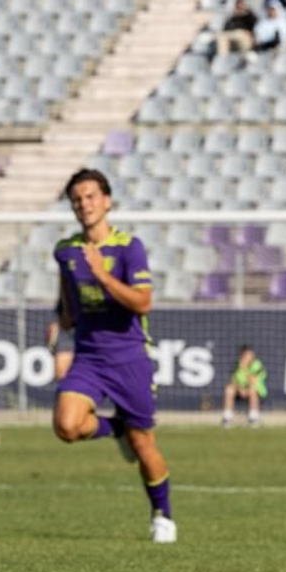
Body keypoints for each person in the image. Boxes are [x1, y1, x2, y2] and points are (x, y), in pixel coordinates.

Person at [50, 168, 176, 543]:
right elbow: (68, 304)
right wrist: (61, 330)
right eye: (77, 198)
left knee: (144, 445)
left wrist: (102, 276)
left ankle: (163, 515)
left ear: (107, 201)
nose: (84, 204)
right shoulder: (65, 251)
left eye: (90, 196)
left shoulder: (128, 247)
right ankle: (115, 427)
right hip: (89, 356)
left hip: (128, 358)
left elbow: (144, 302)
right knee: (67, 426)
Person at [222, 344, 267, 427]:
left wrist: (245, 369)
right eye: (245, 355)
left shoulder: (257, 365)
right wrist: (239, 389)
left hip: (257, 391)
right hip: (241, 390)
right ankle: (227, 419)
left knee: (252, 390)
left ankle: (253, 419)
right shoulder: (237, 365)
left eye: (249, 355)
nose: (248, 357)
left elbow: (253, 381)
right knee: (229, 389)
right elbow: (233, 380)